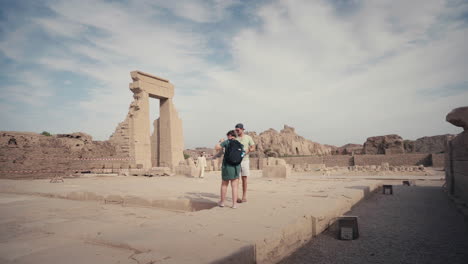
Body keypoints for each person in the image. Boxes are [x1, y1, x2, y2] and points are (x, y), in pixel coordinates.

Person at [215, 130, 240, 208]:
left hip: (227, 166)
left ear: (230, 135)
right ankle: (234, 204)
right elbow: (243, 153)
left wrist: (220, 141)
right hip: (236, 166)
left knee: (224, 184)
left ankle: (222, 202)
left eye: (227, 136)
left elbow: (217, 148)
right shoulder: (239, 144)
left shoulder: (227, 142)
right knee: (235, 186)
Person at [234, 123, 255, 203]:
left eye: (238, 130)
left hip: (245, 161)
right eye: (236, 130)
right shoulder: (235, 139)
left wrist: (248, 150)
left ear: (242, 129)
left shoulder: (248, 138)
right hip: (237, 161)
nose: (237, 131)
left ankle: (244, 196)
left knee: (244, 179)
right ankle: (237, 196)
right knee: (236, 179)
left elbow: (253, 147)